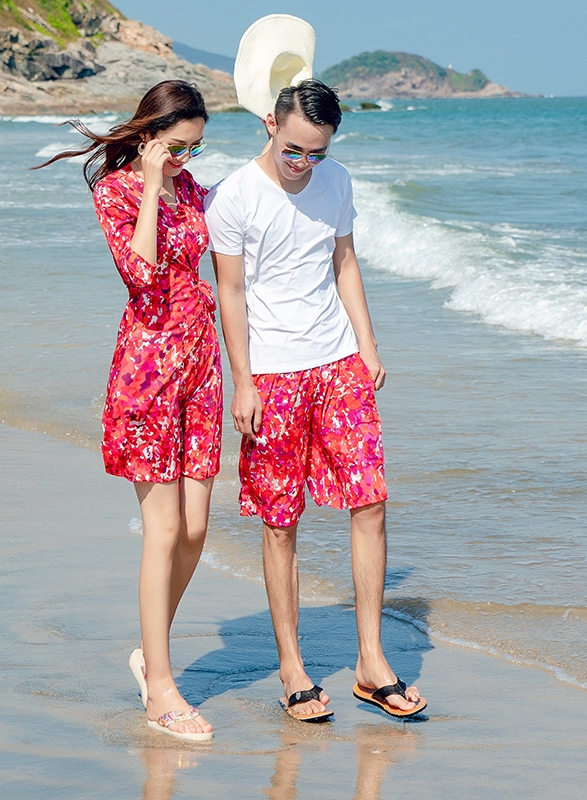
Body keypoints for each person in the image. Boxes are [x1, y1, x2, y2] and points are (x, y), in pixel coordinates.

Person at [205, 78, 427, 722]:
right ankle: (293, 669)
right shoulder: (233, 197)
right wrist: (242, 380)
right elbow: (231, 294)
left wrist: (368, 344)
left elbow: (345, 262)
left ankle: (371, 662)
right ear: (268, 126)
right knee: (282, 521)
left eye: (318, 153)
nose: (305, 166)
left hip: (338, 366)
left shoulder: (338, 182)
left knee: (371, 500)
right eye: (295, 151)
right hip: (272, 376)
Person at [36, 81, 221, 741]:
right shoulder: (115, 192)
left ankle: (151, 651)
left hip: (201, 365)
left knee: (197, 528)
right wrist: (148, 182)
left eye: (195, 149)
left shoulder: (195, 188)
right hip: (147, 371)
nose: (185, 162)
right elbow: (140, 276)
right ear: (147, 136)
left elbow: (232, 227)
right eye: (175, 148)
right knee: (164, 529)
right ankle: (161, 690)